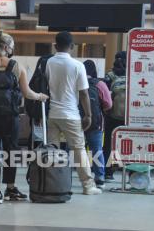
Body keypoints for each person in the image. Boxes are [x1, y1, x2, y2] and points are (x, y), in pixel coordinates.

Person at [0, 31, 49, 204]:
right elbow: (27, 93)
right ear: (6, 47)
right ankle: (11, 188)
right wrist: (40, 96)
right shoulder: (16, 66)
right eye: (12, 47)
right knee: (11, 151)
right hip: (11, 115)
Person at [45, 31, 102, 195]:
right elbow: (84, 93)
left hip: (53, 113)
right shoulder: (78, 65)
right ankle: (88, 186)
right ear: (72, 46)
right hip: (71, 114)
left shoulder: (49, 62)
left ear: (55, 45)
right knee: (78, 149)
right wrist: (89, 115)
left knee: (52, 149)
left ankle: (51, 183)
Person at [83, 60, 112, 189]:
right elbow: (108, 104)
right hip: (96, 123)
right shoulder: (100, 84)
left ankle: (69, 176)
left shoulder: (77, 81)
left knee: (75, 149)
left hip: (78, 121)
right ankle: (99, 178)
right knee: (97, 150)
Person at [103, 51, 127, 181]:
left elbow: (105, 96)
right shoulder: (134, 75)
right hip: (129, 117)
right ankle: (130, 171)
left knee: (108, 144)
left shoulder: (110, 75)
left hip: (112, 116)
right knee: (130, 143)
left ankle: (108, 172)